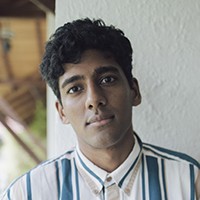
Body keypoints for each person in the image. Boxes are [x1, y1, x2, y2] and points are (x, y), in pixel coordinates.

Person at [1, 18, 200, 200]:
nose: (94, 99)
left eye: (107, 80)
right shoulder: (27, 193)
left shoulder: (190, 181)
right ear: (61, 111)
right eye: (75, 88)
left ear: (134, 91)